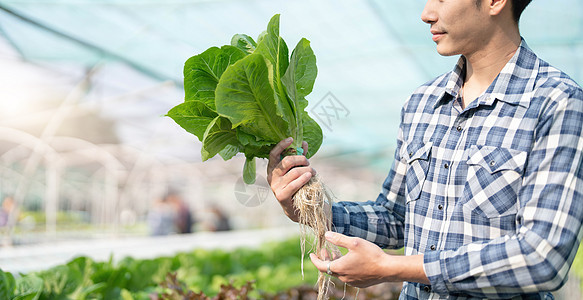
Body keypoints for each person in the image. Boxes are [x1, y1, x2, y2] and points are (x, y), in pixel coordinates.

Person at [267, 0, 583, 298]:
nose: (426, 13)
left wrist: (391, 268)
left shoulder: (556, 102)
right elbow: (397, 218)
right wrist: (312, 210)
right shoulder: (423, 103)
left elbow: (543, 257)